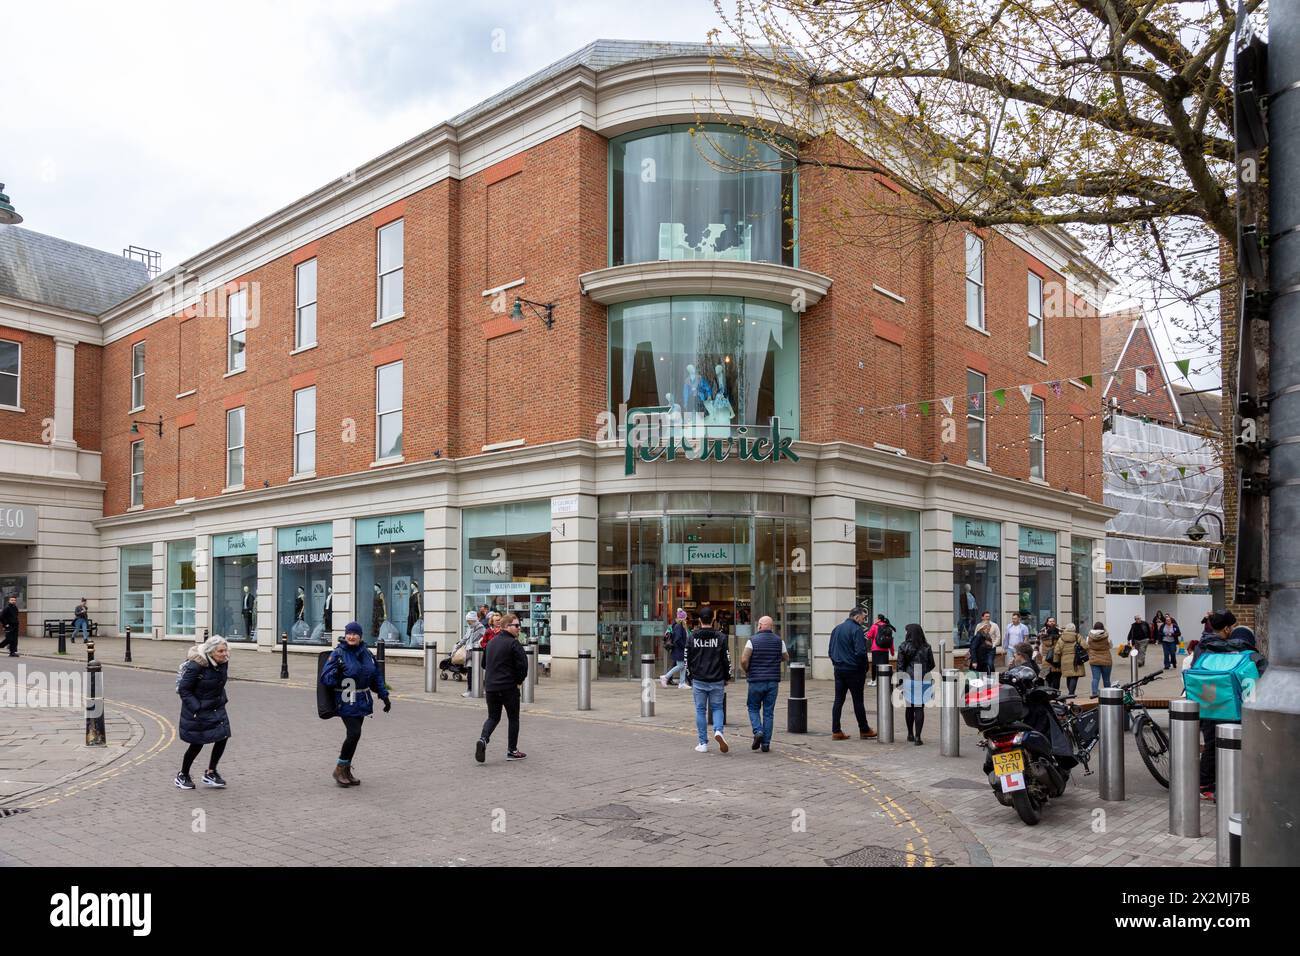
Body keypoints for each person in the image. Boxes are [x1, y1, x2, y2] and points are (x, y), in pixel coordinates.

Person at [1189, 610, 1267, 801]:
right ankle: (1229, 784)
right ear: (1226, 628)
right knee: (1236, 747)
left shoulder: (1204, 648)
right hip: (1234, 709)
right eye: (1231, 626)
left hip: (1208, 705)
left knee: (1211, 746)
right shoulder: (1245, 653)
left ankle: (1206, 784)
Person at [320, 621, 391, 787]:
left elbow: (375, 677)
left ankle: (346, 769)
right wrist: (337, 671)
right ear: (345, 635)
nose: (351, 637)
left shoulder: (367, 654)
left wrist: (384, 696)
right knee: (354, 733)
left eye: (355, 634)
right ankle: (339, 768)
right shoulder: (338, 653)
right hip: (345, 700)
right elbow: (325, 678)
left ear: (360, 636)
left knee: (355, 736)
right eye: (349, 634)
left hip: (362, 700)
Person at [174, 636, 232, 790]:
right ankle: (182, 775)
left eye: (226, 650)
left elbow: (219, 683)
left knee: (223, 736)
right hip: (198, 709)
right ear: (211, 652)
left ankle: (211, 772)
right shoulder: (197, 665)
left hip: (216, 706)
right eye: (221, 651)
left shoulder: (223, 662)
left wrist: (221, 700)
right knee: (197, 743)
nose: (225, 653)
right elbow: (184, 689)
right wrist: (197, 708)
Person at [475, 612, 529, 762]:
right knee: (513, 718)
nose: (519, 628)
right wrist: (518, 681)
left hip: (491, 687)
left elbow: (484, 664)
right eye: (516, 625)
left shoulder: (491, 642)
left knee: (493, 717)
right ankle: (512, 750)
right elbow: (523, 666)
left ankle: (483, 739)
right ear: (506, 626)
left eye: (519, 625)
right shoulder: (514, 643)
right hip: (508, 687)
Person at [686, 606, 732, 752]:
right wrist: (727, 676)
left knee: (700, 710)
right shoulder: (721, 637)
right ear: (713, 619)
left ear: (699, 620)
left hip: (699, 679)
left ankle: (703, 743)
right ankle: (718, 731)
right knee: (717, 707)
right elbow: (726, 659)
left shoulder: (692, 637)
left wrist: (689, 677)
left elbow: (687, 660)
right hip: (717, 678)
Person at [741, 615, 788, 752]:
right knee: (768, 712)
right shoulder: (779, 641)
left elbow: (744, 659)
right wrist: (775, 660)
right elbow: (786, 657)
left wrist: (747, 670)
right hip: (773, 682)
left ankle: (758, 731)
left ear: (760, 625)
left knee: (753, 707)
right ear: (771, 627)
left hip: (756, 680)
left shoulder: (752, 640)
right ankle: (766, 744)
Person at [828, 606, 876, 740]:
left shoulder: (836, 629)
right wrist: (864, 667)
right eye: (863, 617)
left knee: (838, 700)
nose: (864, 620)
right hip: (854, 670)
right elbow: (861, 652)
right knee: (858, 701)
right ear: (856, 617)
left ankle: (836, 731)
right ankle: (864, 729)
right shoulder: (857, 630)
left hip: (839, 669)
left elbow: (830, 651)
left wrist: (836, 663)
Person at [896, 623, 935, 745]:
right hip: (923, 679)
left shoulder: (903, 646)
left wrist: (900, 682)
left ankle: (910, 734)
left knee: (909, 707)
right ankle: (918, 737)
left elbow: (900, 666)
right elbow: (931, 664)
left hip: (909, 678)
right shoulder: (926, 647)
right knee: (919, 708)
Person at [458, 611, 486, 698]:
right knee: (470, 670)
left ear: (473, 620)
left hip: (478, 652)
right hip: (470, 651)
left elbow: (484, 638)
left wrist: (479, 643)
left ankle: (478, 689)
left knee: (478, 671)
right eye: (467, 621)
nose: (468, 622)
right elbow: (465, 637)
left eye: (469, 621)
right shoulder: (470, 628)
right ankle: (470, 689)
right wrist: (457, 646)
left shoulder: (481, 628)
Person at [660, 608, 689, 689]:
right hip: (679, 650)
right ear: (683, 618)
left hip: (679, 649)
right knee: (680, 666)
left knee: (683, 666)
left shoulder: (678, 625)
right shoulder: (679, 626)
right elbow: (678, 639)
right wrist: (684, 646)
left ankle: (682, 683)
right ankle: (665, 677)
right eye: (685, 618)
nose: (686, 619)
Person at [1056, 622, 1085, 695]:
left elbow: (1057, 650)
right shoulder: (1077, 636)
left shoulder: (1061, 638)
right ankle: (1071, 693)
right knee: (1074, 676)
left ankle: (1070, 693)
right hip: (1076, 659)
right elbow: (1085, 646)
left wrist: (1056, 661)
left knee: (1068, 676)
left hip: (1065, 659)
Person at [1086, 620, 1113, 697]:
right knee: (1106, 679)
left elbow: (1087, 646)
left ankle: (1094, 693)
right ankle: (1108, 694)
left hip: (1094, 660)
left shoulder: (1089, 637)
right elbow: (1111, 646)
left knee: (1095, 678)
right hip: (1106, 660)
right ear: (1102, 627)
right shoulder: (1107, 636)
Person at [866, 614, 894, 686]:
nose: (875, 619)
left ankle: (874, 680)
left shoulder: (875, 626)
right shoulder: (888, 627)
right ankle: (883, 681)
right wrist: (892, 651)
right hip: (885, 650)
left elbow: (868, 636)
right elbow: (890, 640)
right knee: (884, 665)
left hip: (876, 649)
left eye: (876, 618)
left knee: (875, 665)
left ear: (878, 619)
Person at [969, 611, 1000, 676]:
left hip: (989, 649)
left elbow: (998, 637)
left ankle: (991, 680)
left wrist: (993, 645)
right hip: (980, 653)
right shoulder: (979, 633)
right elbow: (974, 646)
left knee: (989, 664)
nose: (988, 618)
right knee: (978, 672)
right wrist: (974, 661)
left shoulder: (994, 625)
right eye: (986, 616)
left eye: (989, 616)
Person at [1038, 617, 1061, 690]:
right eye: (1050, 621)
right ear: (1047, 622)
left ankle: (1049, 692)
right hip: (1056, 659)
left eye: (1053, 621)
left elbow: (1038, 641)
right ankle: (1055, 692)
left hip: (1046, 658)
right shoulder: (1043, 630)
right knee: (1056, 676)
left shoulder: (1059, 630)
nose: (1051, 622)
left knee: (1048, 676)